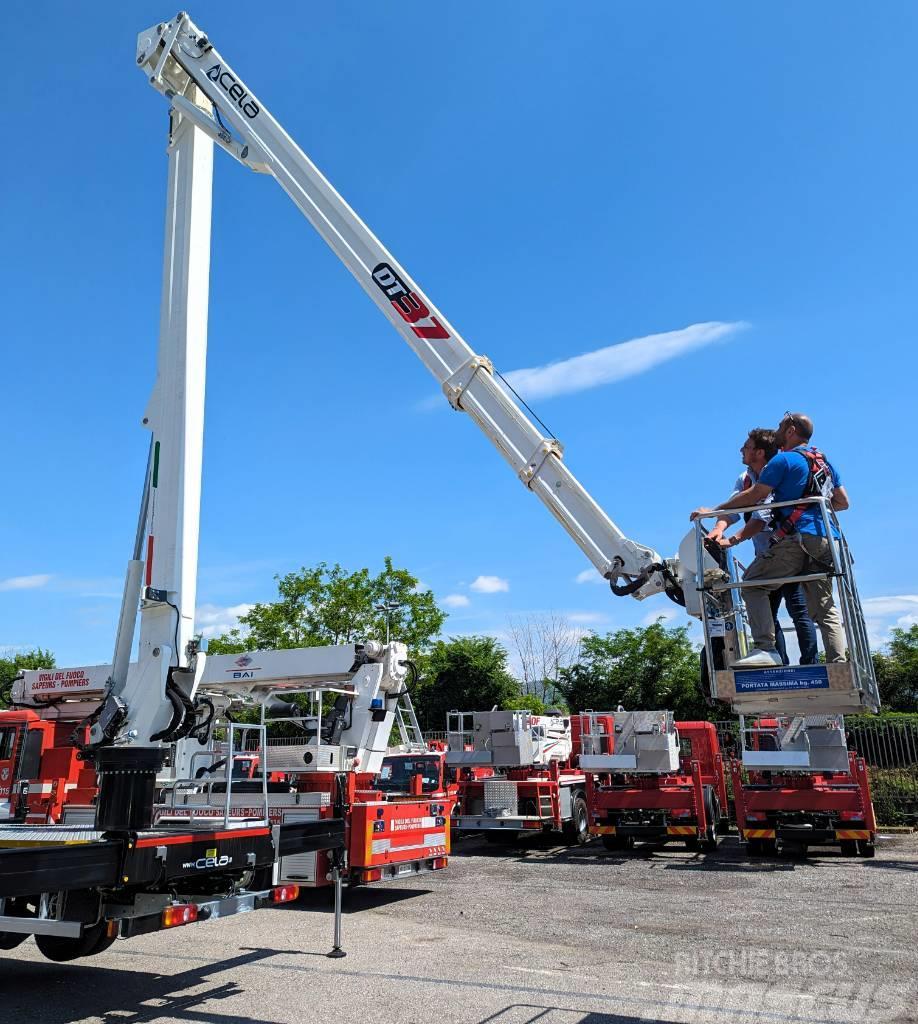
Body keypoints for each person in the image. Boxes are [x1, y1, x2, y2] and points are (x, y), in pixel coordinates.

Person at [690, 412, 849, 668]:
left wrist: (714, 511)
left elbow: (756, 496)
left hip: (797, 539)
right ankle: (838, 666)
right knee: (824, 608)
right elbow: (842, 502)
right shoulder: (823, 462)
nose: (776, 430)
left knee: (752, 585)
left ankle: (766, 649)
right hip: (827, 539)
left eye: (780, 424)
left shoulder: (784, 460)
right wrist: (810, 504)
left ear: (790, 430)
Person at [706, 428, 818, 666]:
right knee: (768, 612)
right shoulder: (745, 478)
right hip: (765, 555)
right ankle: (778, 662)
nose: (741, 450)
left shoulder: (774, 475)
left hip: (787, 551)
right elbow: (734, 507)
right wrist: (718, 528)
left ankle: (810, 663)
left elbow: (760, 518)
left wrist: (732, 539)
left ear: (758, 452)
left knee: (798, 609)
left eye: (746, 447)